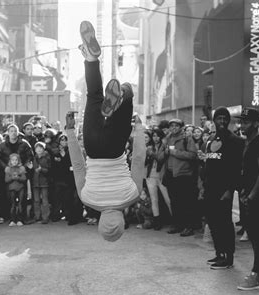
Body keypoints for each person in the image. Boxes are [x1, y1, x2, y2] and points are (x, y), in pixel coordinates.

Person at [65, 21, 145, 242]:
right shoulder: (87, 199)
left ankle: (122, 95)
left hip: (115, 146)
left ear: (122, 222)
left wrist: (138, 129)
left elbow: (138, 160)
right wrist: (70, 132)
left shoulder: (132, 196)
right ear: (100, 222)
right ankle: (91, 59)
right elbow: (78, 165)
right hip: (91, 144)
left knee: (128, 88)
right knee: (93, 95)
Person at [236, 108, 259, 291]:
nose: (242, 125)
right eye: (241, 122)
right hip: (249, 194)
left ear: (256, 123)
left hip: (258, 196)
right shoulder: (248, 142)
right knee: (254, 232)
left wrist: (251, 195)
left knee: (258, 234)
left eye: (246, 122)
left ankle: (257, 274)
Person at [203, 107, 244, 269]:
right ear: (213, 121)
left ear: (229, 121)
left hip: (224, 190)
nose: (221, 121)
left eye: (224, 119)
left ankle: (228, 256)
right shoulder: (211, 140)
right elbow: (208, 165)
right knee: (212, 222)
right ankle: (219, 253)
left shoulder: (234, 140)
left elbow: (235, 169)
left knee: (224, 223)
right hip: (209, 188)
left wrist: (229, 190)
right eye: (218, 118)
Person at [164, 118, 198, 237]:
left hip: (183, 174)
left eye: (176, 126)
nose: (174, 128)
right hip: (171, 174)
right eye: (172, 126)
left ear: (181, 127)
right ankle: (178, 224)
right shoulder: (168, 139)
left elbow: (193, 155)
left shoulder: (187, 138)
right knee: (175, 201)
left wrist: (175, 152)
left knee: (186, 201)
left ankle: (188, 226)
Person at [145, 128, 171, 230]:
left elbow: (160, 158)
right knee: (154, 199)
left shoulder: (164, 146)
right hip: (150, 176)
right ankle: (157, 221)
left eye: (158, 136)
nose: (156, 138)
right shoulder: (149, 147)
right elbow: (145, 162)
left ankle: (175, 220)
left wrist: (151, 153)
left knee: (168, 199)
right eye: (154, 136)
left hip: (161, 176)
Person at [5, 153, 27, 227]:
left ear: (18, 160)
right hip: (12, 188)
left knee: (20, 203)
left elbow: (24, 179)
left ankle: (20, 219)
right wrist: (12, 178)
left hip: (20, 188)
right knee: (13, 204)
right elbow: (6, 180)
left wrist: (18, 178)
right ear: (10, 161)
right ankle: (12, 220)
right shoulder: (8, 169)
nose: (14, 161)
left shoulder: (22, 168)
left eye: (16, 160)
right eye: (13, 160)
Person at [32, 142, 51, 224]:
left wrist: (41, 169)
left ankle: (45, 217)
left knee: (44, 200)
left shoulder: (47, 158)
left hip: (44, 182)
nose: (39, 149)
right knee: (36, 200)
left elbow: (49, 170)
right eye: (37, 148)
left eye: (41, 148)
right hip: (35, 182)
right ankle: (37, 216)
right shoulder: (33, 158)